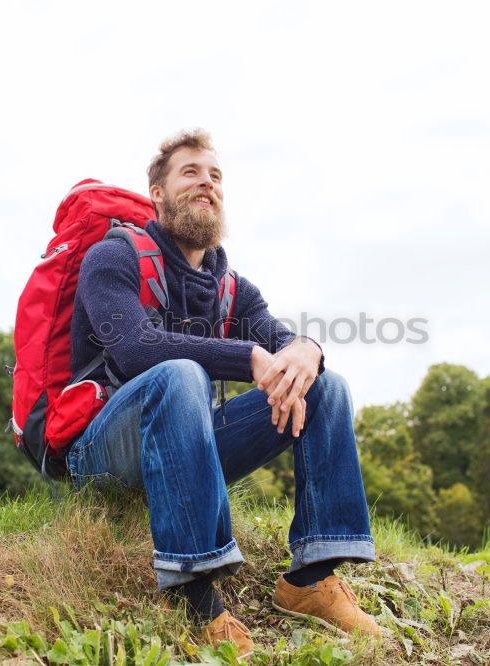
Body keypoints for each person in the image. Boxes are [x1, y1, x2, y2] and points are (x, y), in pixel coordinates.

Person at [67, 129, 381, 657]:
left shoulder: (233, 287)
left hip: (189, 450)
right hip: (103, 449)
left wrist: (306, 349)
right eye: (190, 172)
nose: (206, 183)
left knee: (324, 387)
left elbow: (281, 347)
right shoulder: (111, 258)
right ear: (158, 193)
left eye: (215, 176)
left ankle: (312, 579)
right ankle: (194, 593)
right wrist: (245, 358)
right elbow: (136, 350)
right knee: (180, 374)